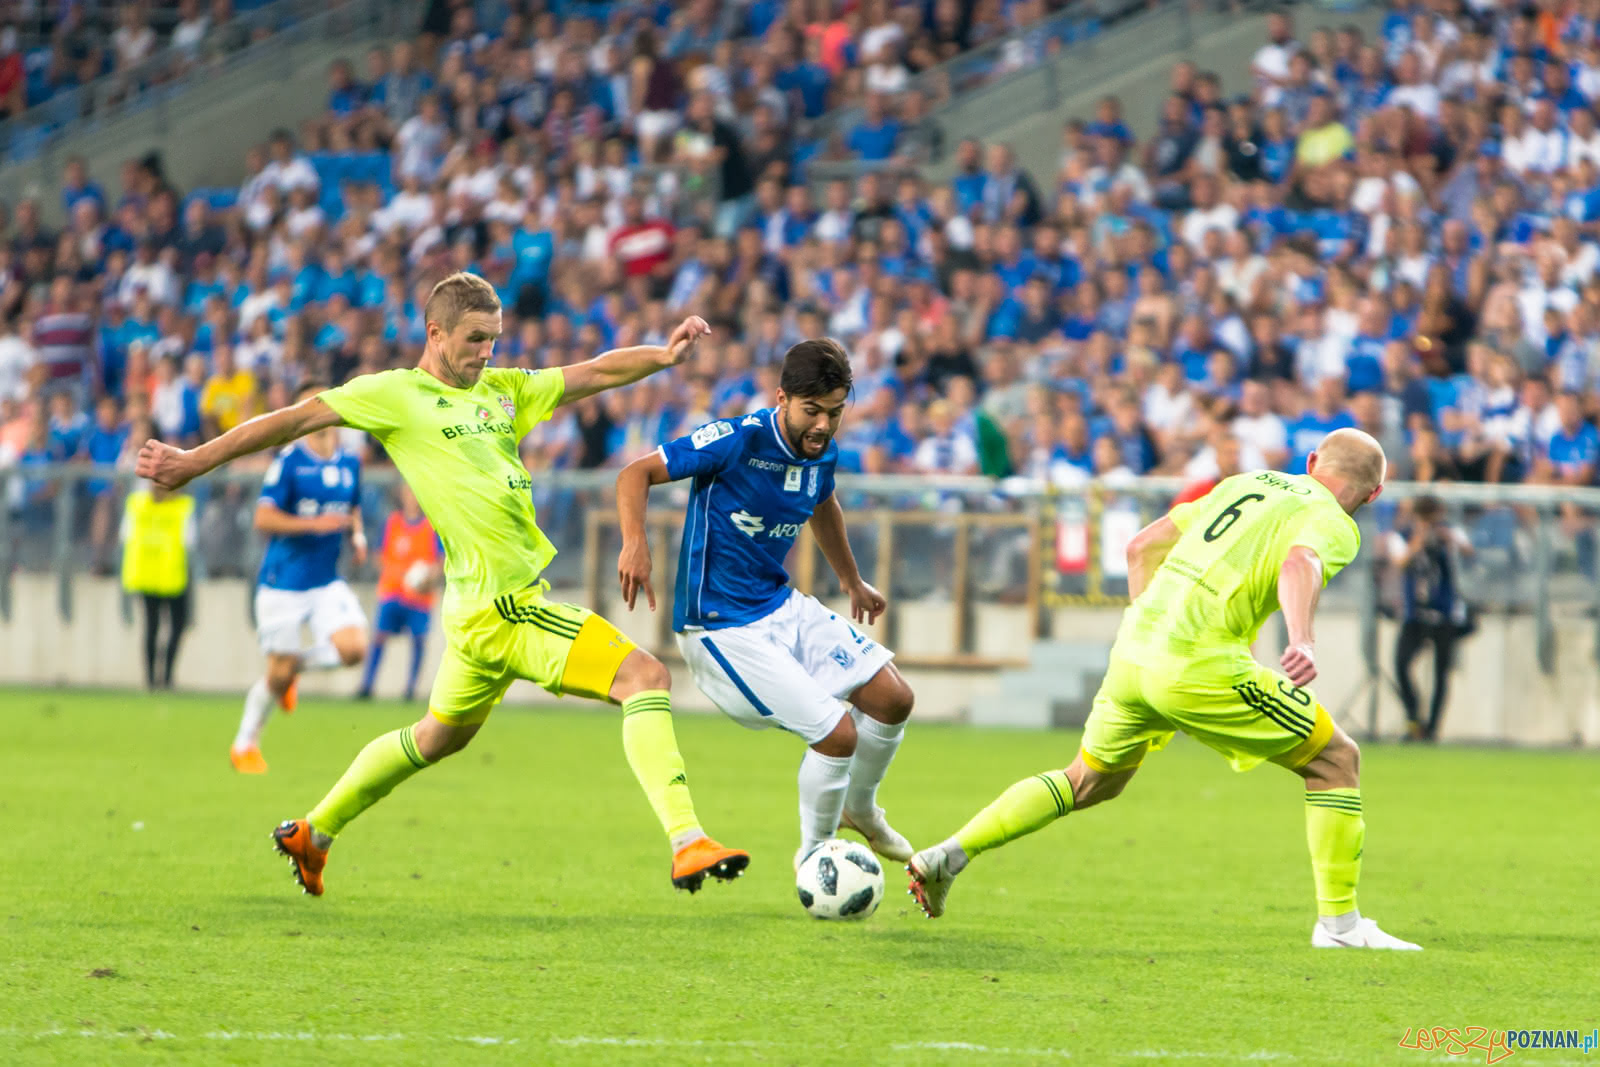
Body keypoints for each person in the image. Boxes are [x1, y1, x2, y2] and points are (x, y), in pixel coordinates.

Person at [137, 271, 747, 898]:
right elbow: (294, 420)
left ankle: (313, 833)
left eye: (494, 339)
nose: (487, 352)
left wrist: (662, 355)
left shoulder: (503, 390)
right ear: (436, 333)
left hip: (475, 610)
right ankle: (687, 840)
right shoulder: (396, 395)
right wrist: (193, 461)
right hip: (505, 608)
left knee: (434, 738)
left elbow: (592, 372)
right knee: (644, 677)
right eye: (475, 339)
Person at [908, 429, 1422, 950]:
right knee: (1335, 761)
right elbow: (1299, 563)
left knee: (1088, 781)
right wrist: (1303, 640)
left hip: (1133, 653)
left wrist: (1150, 627)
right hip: (1199, 664)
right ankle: (1340, 928)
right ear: (1375, 493)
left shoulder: (1245, 484)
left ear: (1311, 462)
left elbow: (1140, 548)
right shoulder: (1333, 520)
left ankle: (950, 854)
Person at [616, 339, 916, 869]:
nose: (823, 425)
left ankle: (860, 808)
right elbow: (634, 474)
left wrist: (851, 580)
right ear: (782, 398)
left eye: (835, 413)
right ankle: (815, 858)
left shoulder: (821, 452)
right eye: (812, 411)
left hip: (778, 603)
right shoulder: (736, 439)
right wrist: (635, 543)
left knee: (894, 698)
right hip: (720, 625)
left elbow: (823, 502)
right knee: (837, 735)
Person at [228, 381, 371, 776]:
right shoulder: (290, 462)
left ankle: (294, 670)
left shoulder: (350, 462)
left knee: (355, 649)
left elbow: (353, 508)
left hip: (325, 581)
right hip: (283, 583)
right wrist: (315, 524)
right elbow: (263, 518)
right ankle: (245, 744)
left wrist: (357, 538)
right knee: (276, 674)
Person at [1385, 496, 1474, 741]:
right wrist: (1419, 540)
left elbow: (1468, 552)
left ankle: (1432, 727)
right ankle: (1414, 718)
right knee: (1401, 665)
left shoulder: (1449, 534)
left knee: (1441, 673)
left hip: (1444, 614)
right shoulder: (1403, 535)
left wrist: (1448, 539)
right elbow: (1400, 561)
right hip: (1415, 614)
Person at [358, 483, 442, 702]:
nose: (412, 498)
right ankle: (367, 685)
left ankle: (411, 689)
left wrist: (427, 578)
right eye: (408, 493)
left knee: (418, 640)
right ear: (402, 495)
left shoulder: (431, 526)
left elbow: (440, 562)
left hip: (420, 597)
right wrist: (398, 573)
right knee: (379, 637)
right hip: (392, 591)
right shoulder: (392, 522)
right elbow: (378, 556)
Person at [120, 477, 195, 690]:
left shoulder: (137, 504)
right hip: (172, 575)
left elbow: (124, 537)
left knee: (151, 627)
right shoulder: (182, 507)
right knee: (175, 626)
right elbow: (190, 541)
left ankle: (152, 679)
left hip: (147, 574)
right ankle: (166, 678)